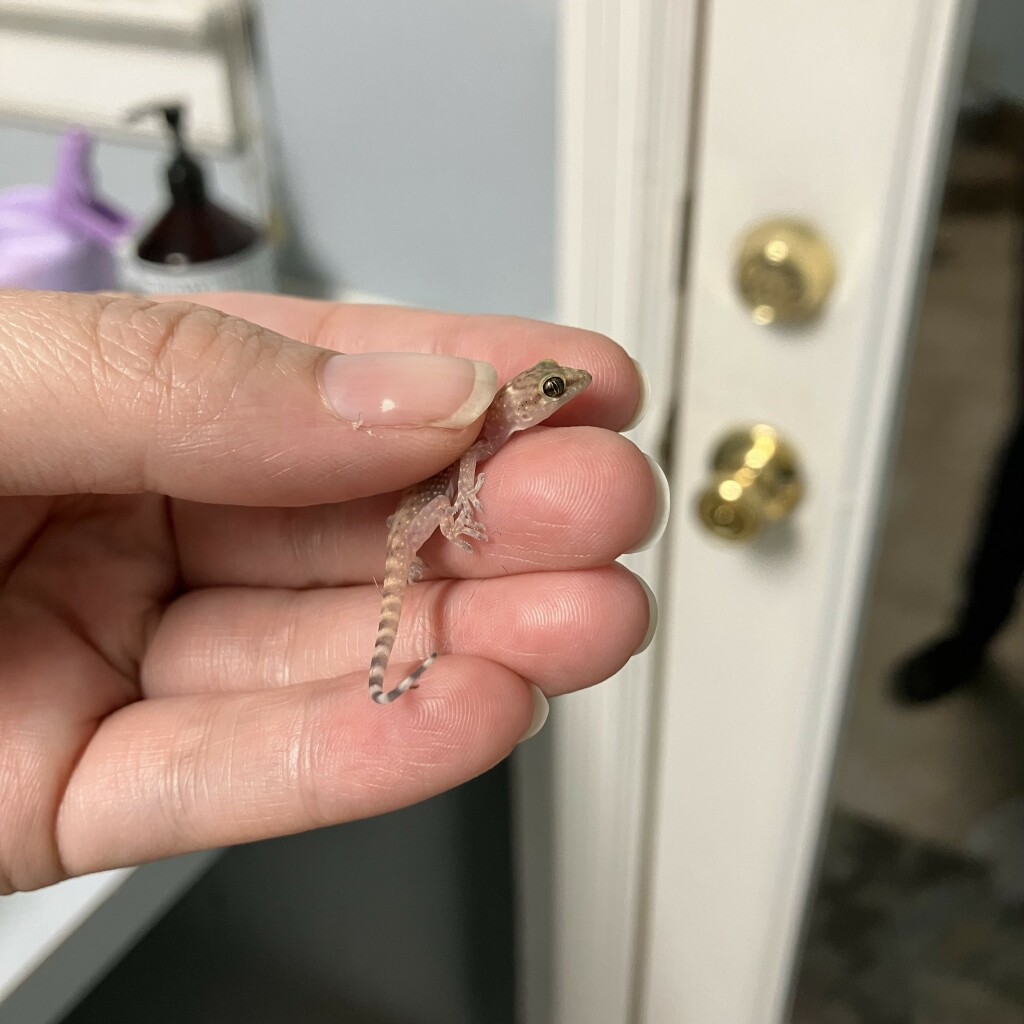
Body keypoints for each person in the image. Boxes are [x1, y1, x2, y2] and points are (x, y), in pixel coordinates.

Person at [0, 289, 661, 894]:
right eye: (552, 388)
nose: (562, 393)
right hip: (409, 528)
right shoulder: (482, 427)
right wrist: (458, 513)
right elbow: (460, 469)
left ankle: (390, 676)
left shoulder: (491, 428)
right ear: (522, 400)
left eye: (554, 386)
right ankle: (388, 678)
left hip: (404, 532)